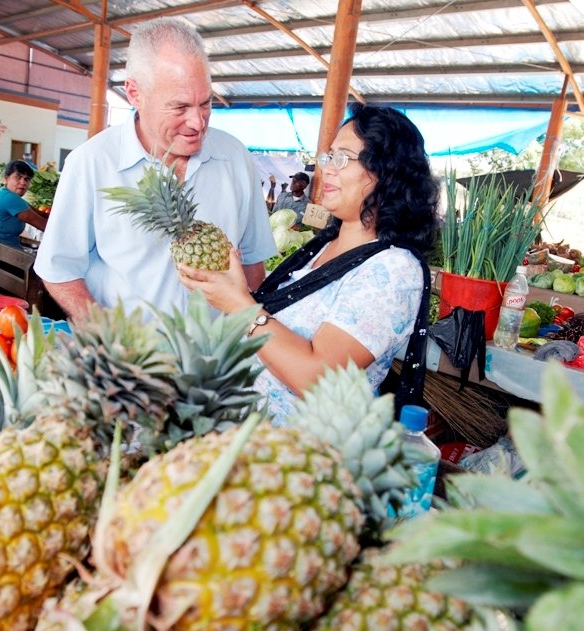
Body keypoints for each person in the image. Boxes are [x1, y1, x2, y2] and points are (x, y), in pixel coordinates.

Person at [178, 103, 438, 423]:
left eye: (341, 158)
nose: (326, 168)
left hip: (296, 457)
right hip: (238, 433)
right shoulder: (320, 247)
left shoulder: (393, 271)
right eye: (328, 157)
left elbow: (316, 379)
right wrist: (236, 288)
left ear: (386, 172)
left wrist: (239, 305)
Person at [33, 18, 275, 323]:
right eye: (179, 107)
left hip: (214, 361)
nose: (198, 122)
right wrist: (105, 334)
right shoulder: (92, 163)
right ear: (134, 93)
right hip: (129, 360)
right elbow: (59, 269)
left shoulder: (236, 157)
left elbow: (253, 263)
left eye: (205, 103)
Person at [0, 159, 48, 250]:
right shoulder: (8, 198)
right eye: (18, 177)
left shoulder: (7, 195)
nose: (23, 182)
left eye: (26, 179)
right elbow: (43, 225)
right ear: (6, 179)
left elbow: (42, 215)